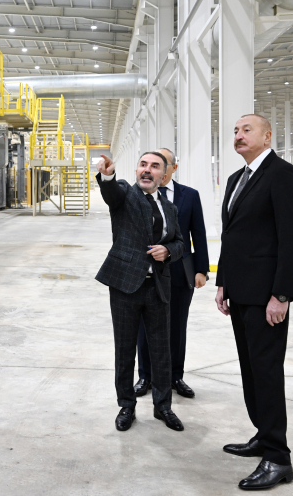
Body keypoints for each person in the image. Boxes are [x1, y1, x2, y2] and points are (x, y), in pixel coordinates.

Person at [215, 114, 293, 490]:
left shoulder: (282, 175)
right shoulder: (237, 179)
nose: (238, 135)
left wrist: (281, 295)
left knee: (266, 373)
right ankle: (263, 435)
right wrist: (223, 282)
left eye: (246, 130)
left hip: (266, 295)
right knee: (251, 370)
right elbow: (232, 236)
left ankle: (278, 458)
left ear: (267, 136)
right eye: (236, 131)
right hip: (240, 293)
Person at [95, 152, 185, 433]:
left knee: (161, 350)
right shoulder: (125, 194)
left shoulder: (169, 208)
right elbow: (111, 192)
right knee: (125, 350)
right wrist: (107, 176)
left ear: (164, 175)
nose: (147, 170)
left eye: (155, 166)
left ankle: (163, 406)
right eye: (143, 165)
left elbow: (180, 242)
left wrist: (167, 250)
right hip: (125, 285)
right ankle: (126, 405)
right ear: (136, 170)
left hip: (158, 286)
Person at [134, 148, 209, 400]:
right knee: (145, 326)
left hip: (179, 272)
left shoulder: (189, 195)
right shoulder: (139, 194)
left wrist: (201, 270)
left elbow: (198, 234)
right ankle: (145, 376)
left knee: (177, 326)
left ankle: (176, 375)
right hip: (147, 272)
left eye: (161, 164)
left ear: (172, 168)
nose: (154, 169)